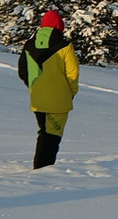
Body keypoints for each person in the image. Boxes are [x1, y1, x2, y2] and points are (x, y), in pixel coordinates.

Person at [19, 10, 79, 169]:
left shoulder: (29, 44)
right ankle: (42, 171)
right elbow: (72, 74)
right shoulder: (65, 45)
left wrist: (35, 86)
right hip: (59, 100)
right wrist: (70, 93)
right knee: (51, 137)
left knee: (44, 133)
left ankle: (40, 167)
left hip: (37, 99)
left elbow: (22, 70)